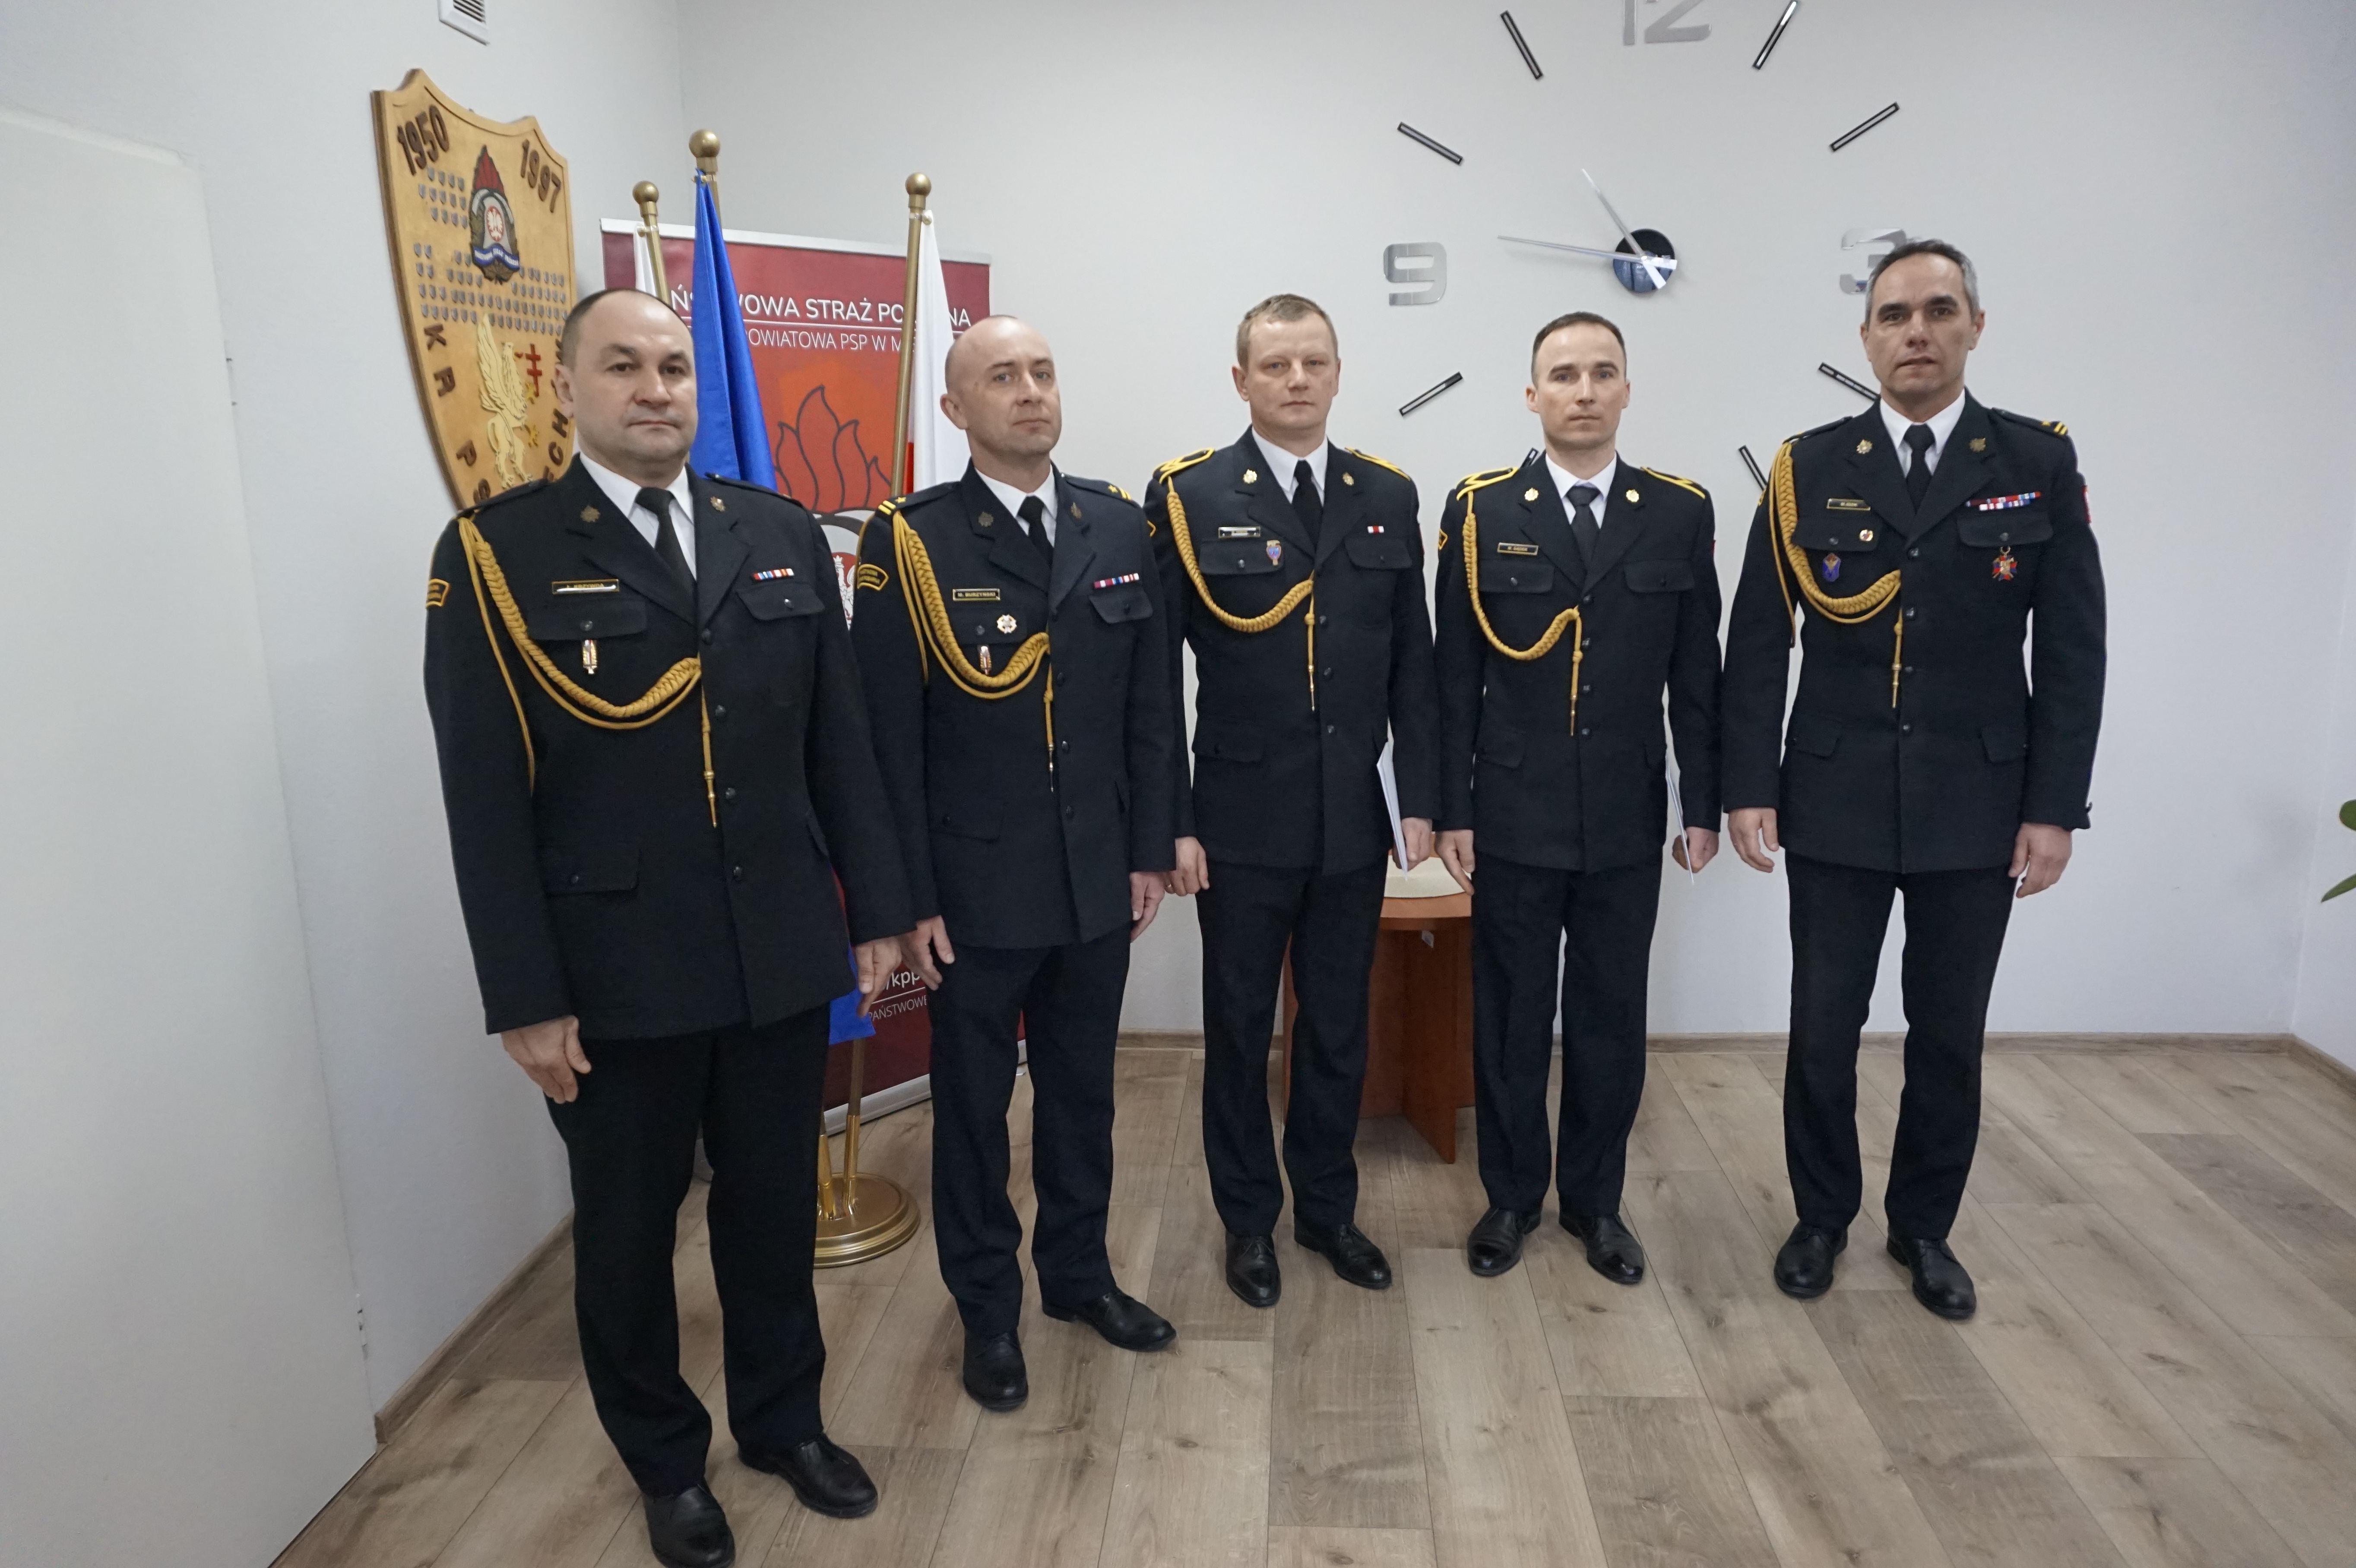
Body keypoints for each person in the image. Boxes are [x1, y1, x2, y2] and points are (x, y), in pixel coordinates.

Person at [423, 288, 913, 1568]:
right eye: (624, 366)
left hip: (775, 946)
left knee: (771, 1208)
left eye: (677, 368)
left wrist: (874, 908)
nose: (656, 389)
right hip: (615, 970)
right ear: (566, 386)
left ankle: (784, 1423)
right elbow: (484, 797)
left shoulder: (778, 531)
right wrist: (524, 994)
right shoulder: (495, 553)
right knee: (629, 1234)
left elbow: (840, 744)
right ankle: (665, 1463)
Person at [1721, 239, 2106, 1319]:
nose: (1917, 333)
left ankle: (1923, 1227)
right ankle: (1820, 1217)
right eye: (1894, 316)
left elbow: (2072, 649)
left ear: (1976, 326)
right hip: (1833, 794)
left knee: (1947, 1033)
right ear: (1865, 338)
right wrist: (1748, 785)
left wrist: (2053, 807)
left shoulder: (2032, 459)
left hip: (1976, 803)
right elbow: (1758, 642)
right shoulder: (1806, 468)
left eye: (1939, 311)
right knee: (1821, 1027)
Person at [852, 316, 1178, 1415]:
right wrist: (907, 897)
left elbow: (1149, 710)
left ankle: (1079, 1277)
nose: (1030, 391)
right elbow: (886, 741)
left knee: (1083, 1097)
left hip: (1095, 881)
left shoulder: (1116, 524)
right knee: (974, 1113)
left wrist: (1147, 849)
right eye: (1002, 376)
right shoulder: (910, 542)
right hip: (973, 893)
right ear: (955, 409)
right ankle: (987, 1311)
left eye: (1042, 371)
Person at [1145, 294, 1439, 1307]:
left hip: (1351, 821)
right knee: (1237, 1028)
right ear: (1242, 381)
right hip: (1236, 820)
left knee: (1338, 1026)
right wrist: (1171, 818)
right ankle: (1247, 1221)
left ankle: (1326, 1207)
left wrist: (1420, 798)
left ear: (1338, 371)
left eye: (1313, 360)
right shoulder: (1188, 494)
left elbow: (1413, 665)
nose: (1297, 379)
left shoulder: (1386, 494)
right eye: (1275, 364)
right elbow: (1154, 678)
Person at [1433, 311, 1723, 1282]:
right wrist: (1453, 807)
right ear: (1532, 395)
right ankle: (1512, 1198)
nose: (1584, 391)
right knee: (1511, 1019)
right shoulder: (1481, 512)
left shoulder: (1677, 511)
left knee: (1609, 1019)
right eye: (1563, 375)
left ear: (1627, 390)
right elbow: (1452, 676)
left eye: (1603, 372)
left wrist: (1702, 803)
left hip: (1626, 816)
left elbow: (1698, 675)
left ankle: (1595, 1203)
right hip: (1512, 814)